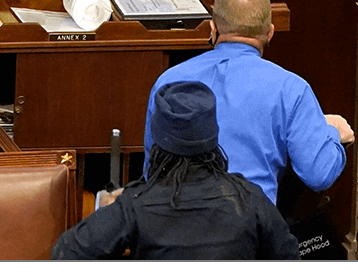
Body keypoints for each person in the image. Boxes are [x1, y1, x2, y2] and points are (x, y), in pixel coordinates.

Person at [142, 0, 351, 204]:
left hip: (174, 225)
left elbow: (152, 171)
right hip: (250, 228)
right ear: (270, 32)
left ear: (213, 29)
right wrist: (332, 133)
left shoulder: (169, 80)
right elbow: (319, 175)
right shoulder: (291, 88)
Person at [52, 81, 299, 260]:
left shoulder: (136, 204)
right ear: (213, 139)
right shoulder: (249, 198)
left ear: (157, 142)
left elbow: (66, 253)